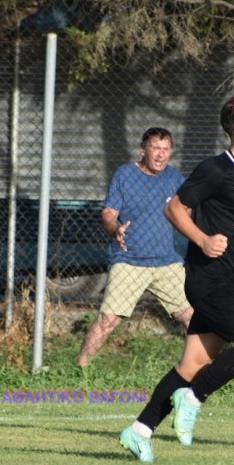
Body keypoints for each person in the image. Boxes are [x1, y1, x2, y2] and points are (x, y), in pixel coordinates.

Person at [119, 91, 234, 463]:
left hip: (233, 281)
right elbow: (174, 208)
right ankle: (193, 397)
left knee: (191, 366)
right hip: (207, 280)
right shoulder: (215, 169)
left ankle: (139, 430)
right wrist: (202, 239)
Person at [78, 127, 193, 367]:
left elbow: (187, 211)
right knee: (108, 320)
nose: (161, 155)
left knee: (193, 318)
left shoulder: (175, 178)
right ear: (143, 149)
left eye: (166, 149)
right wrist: (115, 228)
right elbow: (109, 213)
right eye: (155, 148)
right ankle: (81, 370)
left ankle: (198, 373)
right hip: (129, 260)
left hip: (167, 262)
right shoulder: (125, 175)